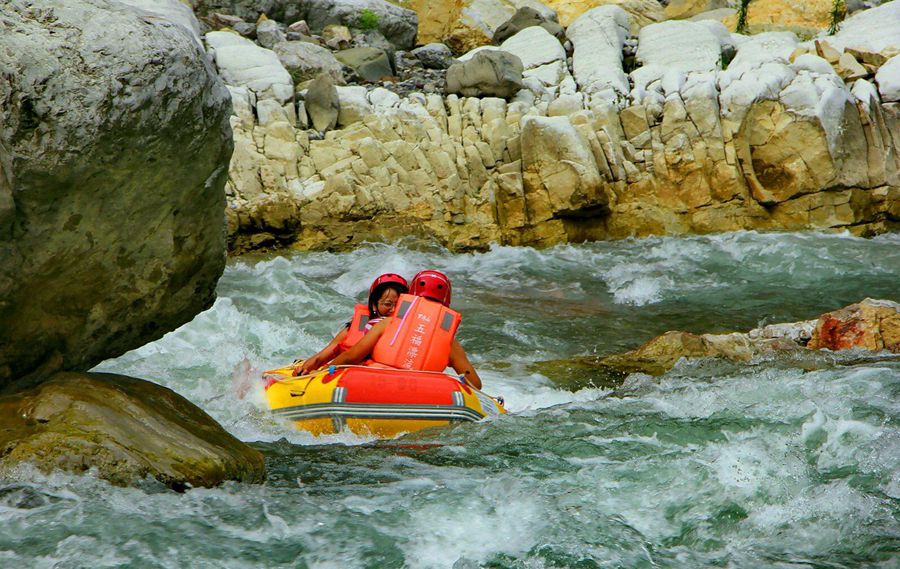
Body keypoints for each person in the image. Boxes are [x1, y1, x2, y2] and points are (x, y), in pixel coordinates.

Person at [330, 270, 483, 389]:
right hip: (424, 394)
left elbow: (351, 356)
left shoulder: (387, 323)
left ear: (411, 297)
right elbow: (475, 384)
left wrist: (327, 372)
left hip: (376, 385)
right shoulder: (450, 343)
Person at [296, 273, 408, 375]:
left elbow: (350, 357)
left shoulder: (409, 327)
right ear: (374, 305)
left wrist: (323, 372)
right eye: (387, 304)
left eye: (399, 304)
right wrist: (306, 369)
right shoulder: (357, 327)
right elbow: (322, 357)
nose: (394, 310)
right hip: (357, 376)